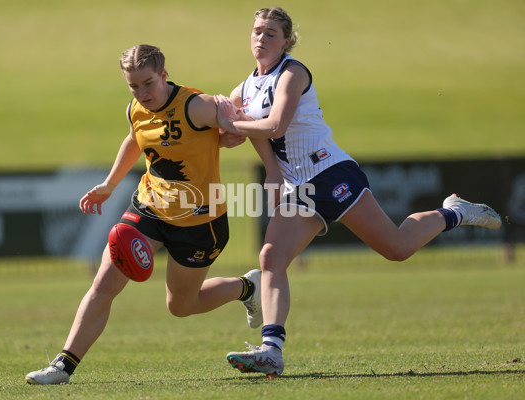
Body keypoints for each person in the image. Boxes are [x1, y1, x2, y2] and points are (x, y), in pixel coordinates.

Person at [215, 7, 502, 378]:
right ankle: (272, 350)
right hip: (298, 187)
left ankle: (455, 212)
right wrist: (234, 136)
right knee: (271, 258)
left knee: (396, 248)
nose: (261, 38)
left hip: (330, 172)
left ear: (287, 40)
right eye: (257, 31)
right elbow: (239, 134)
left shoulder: (293, 72)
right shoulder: (246, 87)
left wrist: (231, 121)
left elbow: (275, 124)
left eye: (271, 33)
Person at [25, 44, 262, 385]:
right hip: (148, 208)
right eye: (133, 86)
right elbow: (135, 140)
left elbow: (247, 126)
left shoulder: (197, 105)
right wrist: (109, 184)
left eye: (148, 83)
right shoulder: (135, 108)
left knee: (181, 306)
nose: (142, 92)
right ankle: (62, 367)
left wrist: (231, 131)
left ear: (164, 75)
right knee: (104, 284)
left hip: (199, 222)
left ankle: (247, 287)